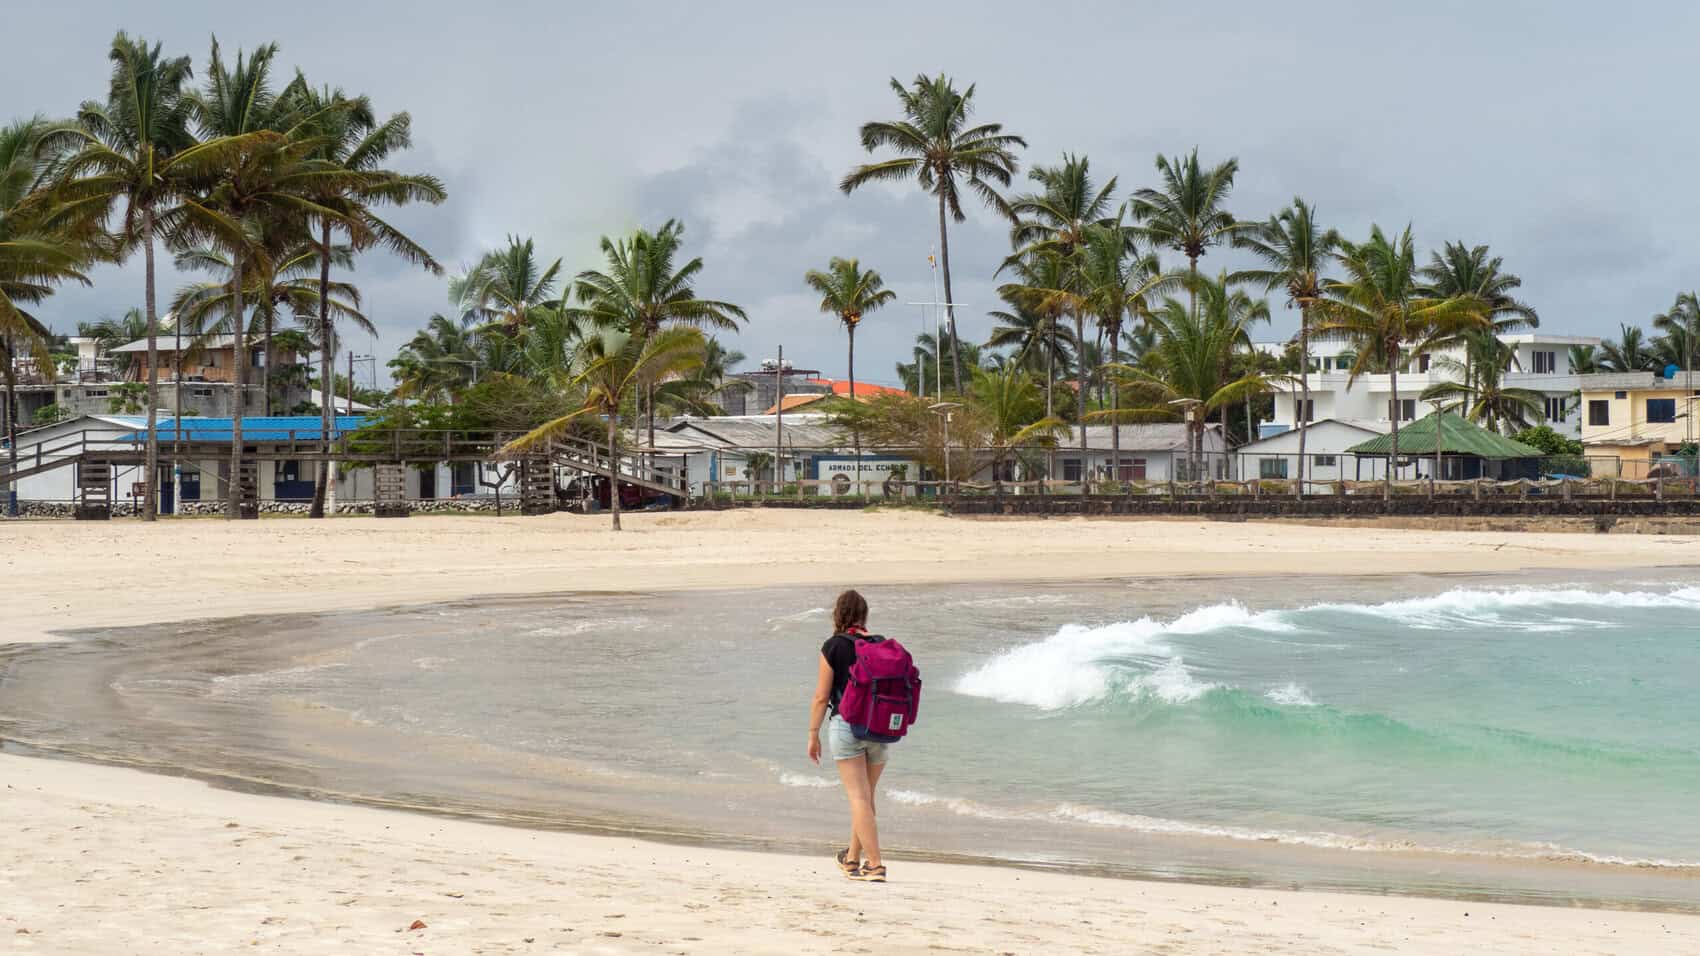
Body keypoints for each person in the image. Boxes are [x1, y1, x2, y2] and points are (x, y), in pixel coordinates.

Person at [808, 588, 888, 882]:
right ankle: (852, 859)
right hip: (880, 729)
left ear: (837, 615)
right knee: (865, 798)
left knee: (858, 798)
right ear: (864, 615)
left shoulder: (833, 646)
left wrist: (813, 733)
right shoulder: (880, 643)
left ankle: (876, 864)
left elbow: (821, 696)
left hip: (847, 727)